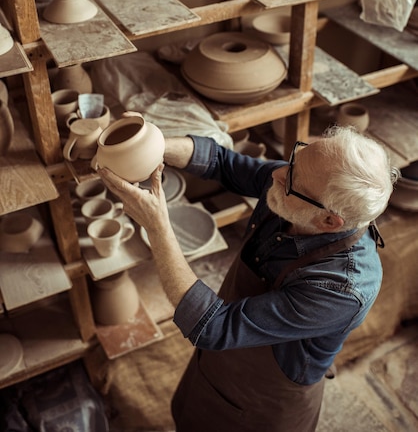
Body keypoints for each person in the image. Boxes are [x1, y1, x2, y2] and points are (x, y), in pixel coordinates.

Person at [97, 124, 399, 432]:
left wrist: (158, 228)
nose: (277, 175)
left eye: (291, 180)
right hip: (219, 363)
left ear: (329, 221)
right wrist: (151, 147)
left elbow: (213, 326)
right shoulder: (304, 189)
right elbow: (223, 163)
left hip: (264, 400)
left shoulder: (342, 288)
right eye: (295, 161)